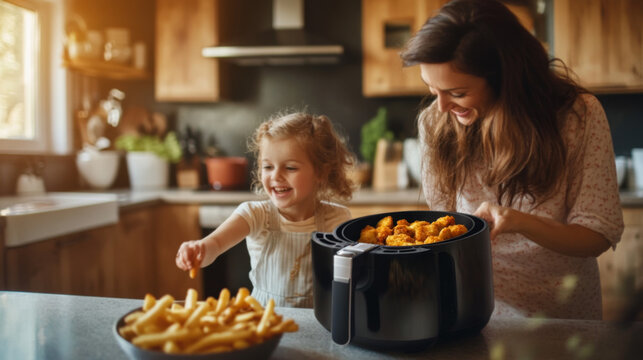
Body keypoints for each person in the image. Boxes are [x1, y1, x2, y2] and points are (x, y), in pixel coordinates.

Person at [400, 0, 624, 319]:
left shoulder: (579, 117)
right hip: (474, 309)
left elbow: (597, 235)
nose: (441, 107)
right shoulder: (435, 125)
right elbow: (443, 229)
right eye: (431, 89)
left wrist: (518, 220)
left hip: (561, 314)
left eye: (458, 93)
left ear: (507, 78)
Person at [175, 111, 356, 308]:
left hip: (319, 325)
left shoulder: (337, 218)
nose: (276, 176)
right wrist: (199, 249)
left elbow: (348, 276)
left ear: (321, 172)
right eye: (268, 167)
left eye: (290, 168)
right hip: (263, 322)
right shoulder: (255, 214)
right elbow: (215, 244)